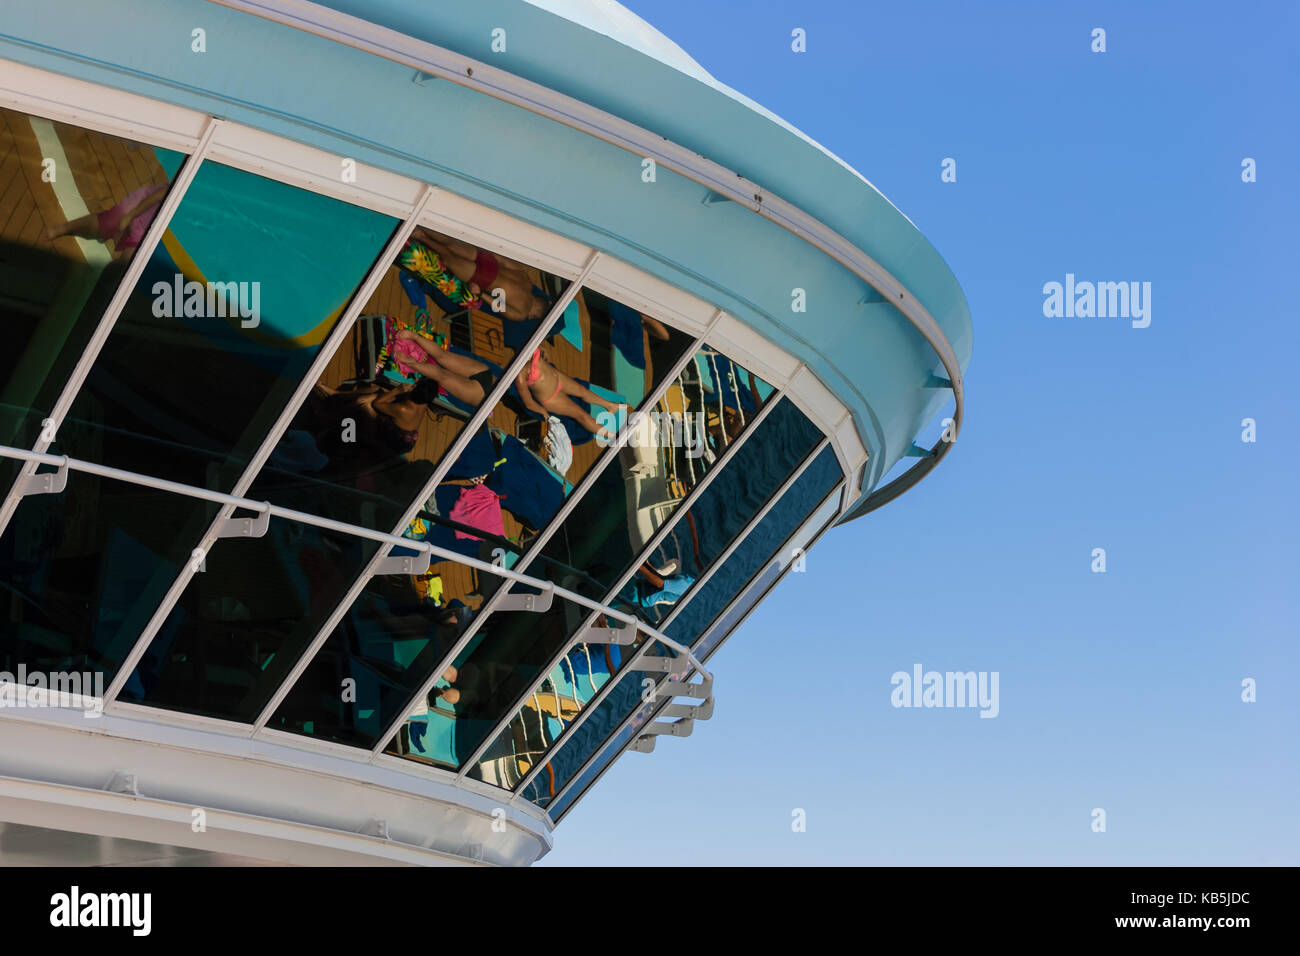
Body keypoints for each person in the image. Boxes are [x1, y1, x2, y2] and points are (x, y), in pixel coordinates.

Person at [408, 227, 553, 321]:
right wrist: (480, 294)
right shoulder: (522, 312)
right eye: (535, 316)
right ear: (537, 309)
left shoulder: (527, 279)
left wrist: (486, 253)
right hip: (486, 279)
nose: (531, 317)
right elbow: (497, 306)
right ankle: (421, 237)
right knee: (448, 258)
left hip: (490, 262)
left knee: (450, 243)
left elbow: (502, 259)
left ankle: (422, 227)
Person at [516, 345, 623, 442]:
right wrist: (543, 412)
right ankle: (613, 436)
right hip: (551, 398)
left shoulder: (529, 347)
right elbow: (528, 402)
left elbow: (542, 348)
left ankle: (610, 405)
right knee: (581, 415)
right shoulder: (520, 375)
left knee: (582, 390)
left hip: (558, 379)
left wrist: (545, 355)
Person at [39, 182, 168, 257]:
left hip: (156, 226)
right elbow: (163, 193)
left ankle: (104, 288)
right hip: (149, 203)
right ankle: (65, 228)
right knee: (109, 222)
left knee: (128, 260)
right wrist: (130, 216)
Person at [394, 329, 495, 406]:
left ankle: (414, 336)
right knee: (442, 376)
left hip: (491, 378)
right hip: (483, 395)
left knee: (443, 356)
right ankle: (413, 364)